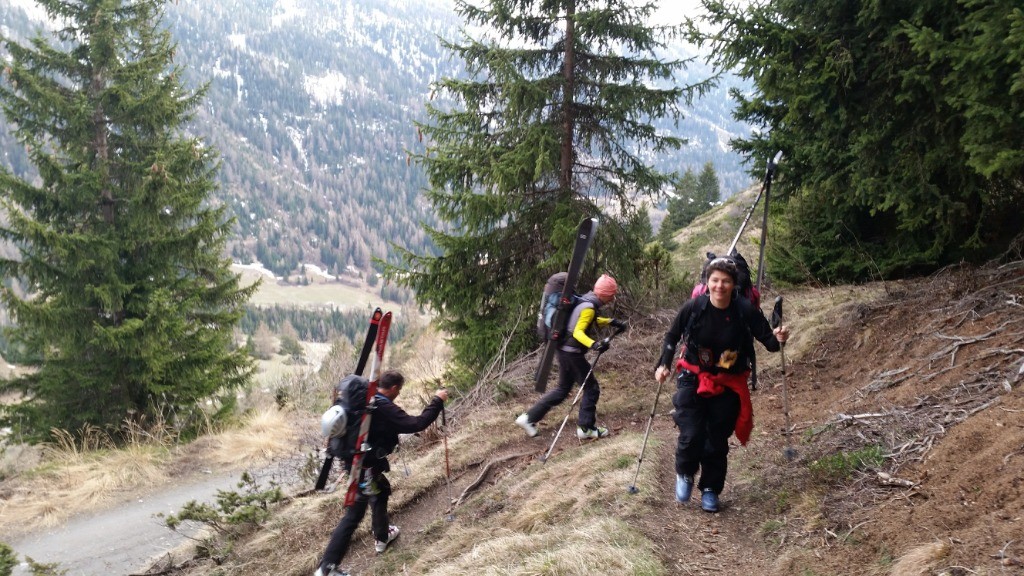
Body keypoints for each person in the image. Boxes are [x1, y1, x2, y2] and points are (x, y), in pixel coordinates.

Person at [654, 258, 789, 513]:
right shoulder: (695, 306)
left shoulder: (744, 309)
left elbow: (770, 343)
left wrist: (780, 337)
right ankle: (684, 472)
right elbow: (672, 336)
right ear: (707, 282)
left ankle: (710, 489)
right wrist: (663, 365)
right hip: (693, 375)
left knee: (716, 439)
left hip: (729, 380)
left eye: (725, 281)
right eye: (715, 280)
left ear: (733, 284)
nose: (720, 286)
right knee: (691, 432)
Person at [315, 371, 448, 576]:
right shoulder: (380, 406)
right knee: (354, 514)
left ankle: (382, 536)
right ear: (394, 388)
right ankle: (327, 568)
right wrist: (437, 401)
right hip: (365, 468)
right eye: (399, 390)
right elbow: (416, 424)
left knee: (380, 491)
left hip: (355, 463)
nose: (399, 393)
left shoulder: (361, 403)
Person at [516, 273, 627, 440]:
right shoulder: (589, 307)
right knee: (591, 388)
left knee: (562, 389)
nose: (612, 298)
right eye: (612, 295)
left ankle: (528, 418)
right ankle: (586, 428)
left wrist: (611, 322)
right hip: (572, 354)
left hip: (563, 351)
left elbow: (587, 319)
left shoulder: (585, 300)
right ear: (606, 294)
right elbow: (578, 332)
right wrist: (594, 344)